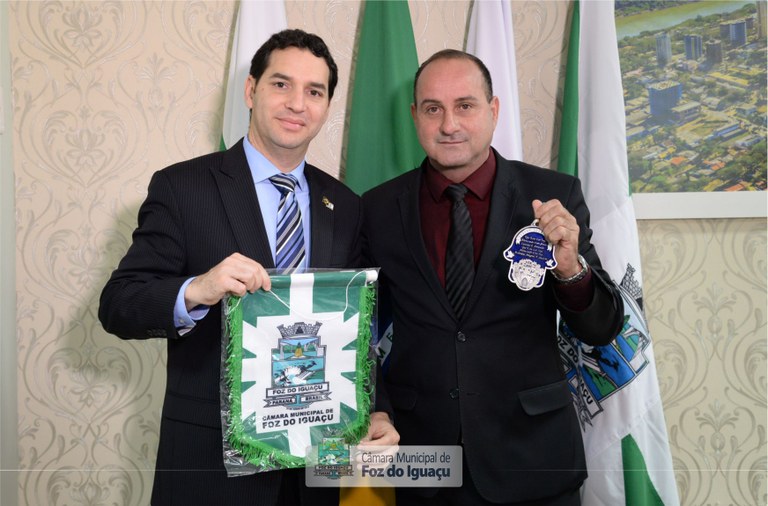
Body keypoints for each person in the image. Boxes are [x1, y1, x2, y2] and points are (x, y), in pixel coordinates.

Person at [99, 29, 397, 506]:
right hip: (211, 470)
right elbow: (118, 305)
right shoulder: (183, 187)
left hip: (315, 469)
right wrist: (196, 289)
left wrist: (376, 411)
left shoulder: (345, 204)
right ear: (251, 90)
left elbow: (359, 328)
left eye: (314, 92)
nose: (297, 103)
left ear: (327, 107)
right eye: (281, 84)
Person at [362, 49, 624, 506]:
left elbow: (603, 328)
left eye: (465, 105)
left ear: (493, 110)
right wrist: (377, 409)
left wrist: (570, 270)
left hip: (534, 461)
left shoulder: (553, 194)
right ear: (415, 116)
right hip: (422, 464)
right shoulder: (377, 207)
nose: (449, 124)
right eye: (433, 109)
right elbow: (358, 330)